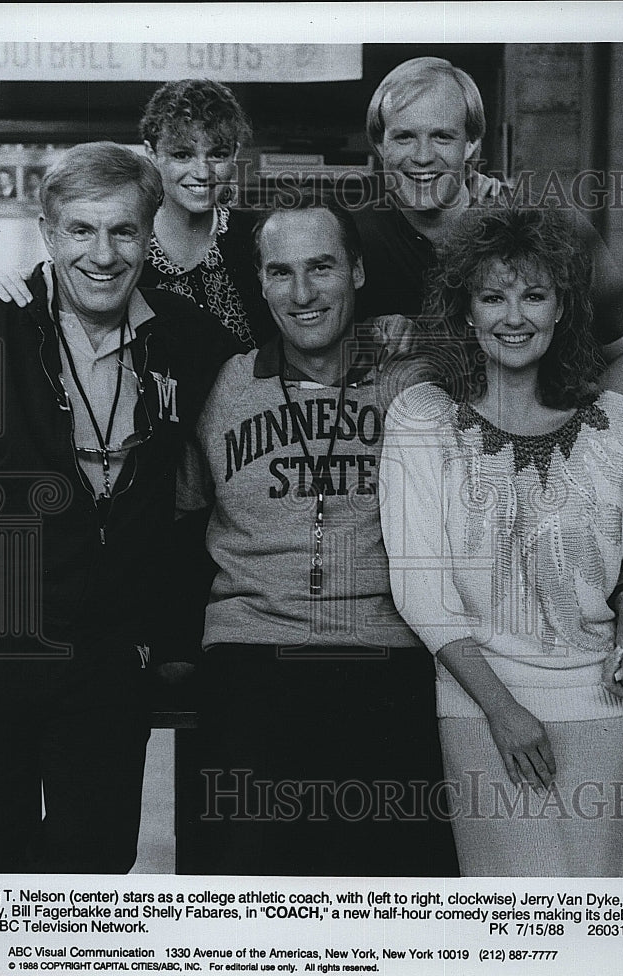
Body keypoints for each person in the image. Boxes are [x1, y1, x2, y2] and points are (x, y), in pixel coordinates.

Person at [0, 141, 231, 873]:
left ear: (151, 236)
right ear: (48, 233)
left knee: (95, 866)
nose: (103, 254)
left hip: (110, 658)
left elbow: (289, 352)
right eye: (81, 230)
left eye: (123, 231)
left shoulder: (188, 337)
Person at [173, 194, 459, 877]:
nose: (302, 294)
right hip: (252, 656)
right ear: (262, 282)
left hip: (387, 655)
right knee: (241, 894)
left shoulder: (413, 382)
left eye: (322, 268)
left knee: (396, 899)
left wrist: (423, 333)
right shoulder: (227, 384)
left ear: (357, 273)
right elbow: (181, 515)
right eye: (281, 272)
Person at [379, 207, 623, 876]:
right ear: (466, 312)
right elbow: (421, 593)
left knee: (594, 912)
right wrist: (503, 710)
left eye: (534, 295)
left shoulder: (620, 426)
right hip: (483, 702)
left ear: (562, 307)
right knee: (508, 917)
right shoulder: (421, 422)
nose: (515, 316)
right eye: (493, 296)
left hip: (602, 701)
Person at [356, 56, 623, 404]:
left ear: (471, 143)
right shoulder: (354, 239)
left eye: (442, 136)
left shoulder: (552, 227)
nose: (422, 156)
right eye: (404, 137)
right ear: (380, 144)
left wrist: (579, 438)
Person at [0, 79, 275, 351]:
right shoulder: (119, 244)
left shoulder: (260, 237)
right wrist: (13, 283)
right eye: (182, 155)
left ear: (235, 154)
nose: (202, 173)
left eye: (218, 154)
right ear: (151, 151)